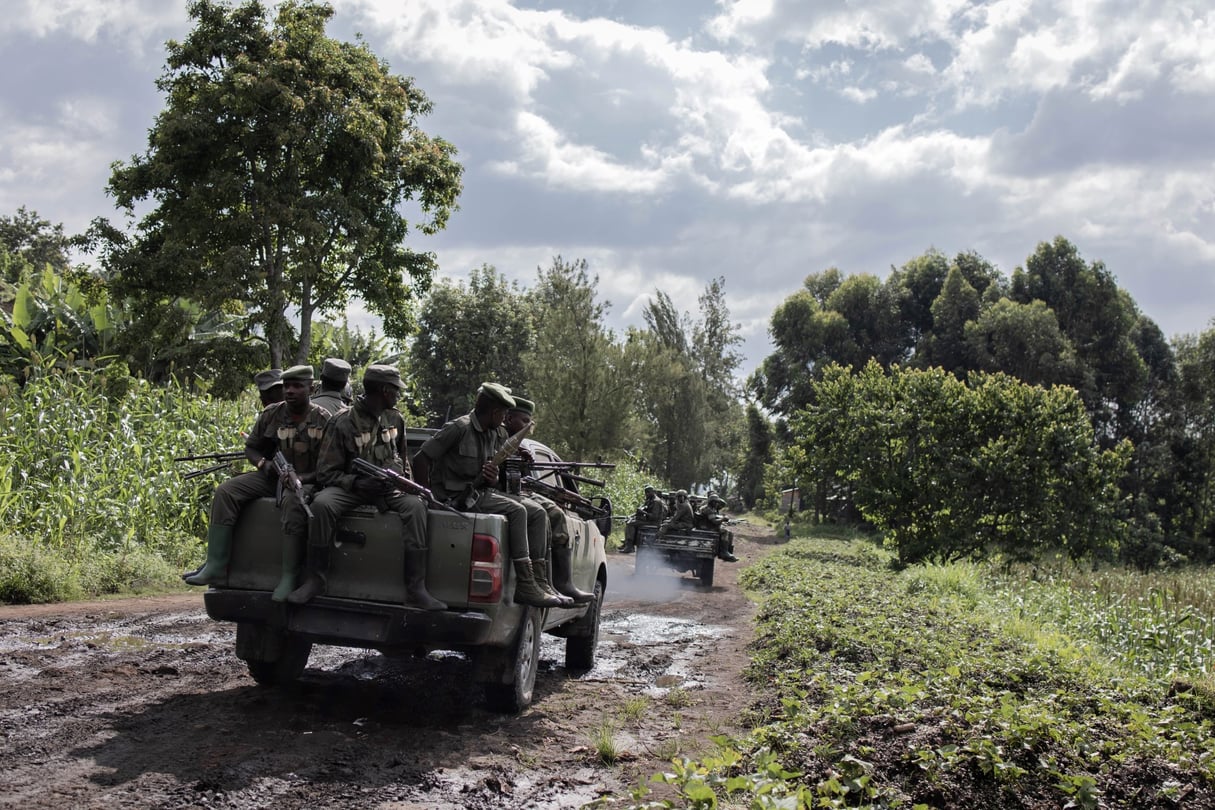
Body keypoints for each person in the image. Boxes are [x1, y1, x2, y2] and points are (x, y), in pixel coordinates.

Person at [288, 364, 444, 610]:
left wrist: (408, 485)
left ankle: (416, 588)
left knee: (416, 507)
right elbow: (326, 472)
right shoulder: (343, 421)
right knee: (322, 504)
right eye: (395, 390)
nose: (398, 395)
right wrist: (357, 482)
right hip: (352, 488)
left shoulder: (395, 419)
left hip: (388, 488)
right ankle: (315, 580)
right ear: (384, 391)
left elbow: (403, 461)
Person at [413, 383, 564, 608]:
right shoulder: (459, 428)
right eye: (503, 413)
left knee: (537, 513)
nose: (504, 418)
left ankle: (537, 582)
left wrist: (492, 477)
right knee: (518, 510)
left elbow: (490, 475)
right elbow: (420, 459)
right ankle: (525, 582)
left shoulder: (495, 433)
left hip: (478, 494)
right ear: (494, 412)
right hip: (453, 497)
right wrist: (428, 497)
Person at [185, 365, 329, 600]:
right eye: (286, 386)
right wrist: (264, 464)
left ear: (310, 388)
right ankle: (216, 565)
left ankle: (288, 577)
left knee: (294, 504)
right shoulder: (272, 413)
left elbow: (329, 465)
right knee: (226, 491)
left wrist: (302, 479)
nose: (290, 391)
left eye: (297, 386)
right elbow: (251, 447)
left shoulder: (324, 419)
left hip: (308, 481)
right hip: (272, 477)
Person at [502, 397, 592, 604]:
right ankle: (539, 582)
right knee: (539, 514)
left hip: (516, 490)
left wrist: (524, 459)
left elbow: (519, 477)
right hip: (502, 492)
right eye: (524, 421)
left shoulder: (520, 444)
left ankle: (557, 583)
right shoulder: (495, 436)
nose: (528, 427)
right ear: (508, 418)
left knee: (556, 513)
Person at [621, 485, 666, 553]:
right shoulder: (649, 499)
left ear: (652, 492)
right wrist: (631, 515)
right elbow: (643, 508)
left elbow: (654, 517)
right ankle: (628, 543)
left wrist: (643, 512)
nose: (646, 494)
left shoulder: (656, 501)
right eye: (646, 492)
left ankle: (630, 546)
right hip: (648, 520)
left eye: (648, 492)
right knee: (630, 520)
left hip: (654, 522)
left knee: (630, 524)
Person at [697, 492, 739, 562]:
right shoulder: (709, 509)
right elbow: (714, 521)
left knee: (728, 532)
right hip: (708, 528)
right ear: (711, 502)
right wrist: (723, 519)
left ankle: (725, 552)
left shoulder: (707, 507)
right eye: (715, 502)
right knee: (726, 532)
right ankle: (724, 552)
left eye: (717, 502)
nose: (717, 504)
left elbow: (722, 504)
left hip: (704, 526)